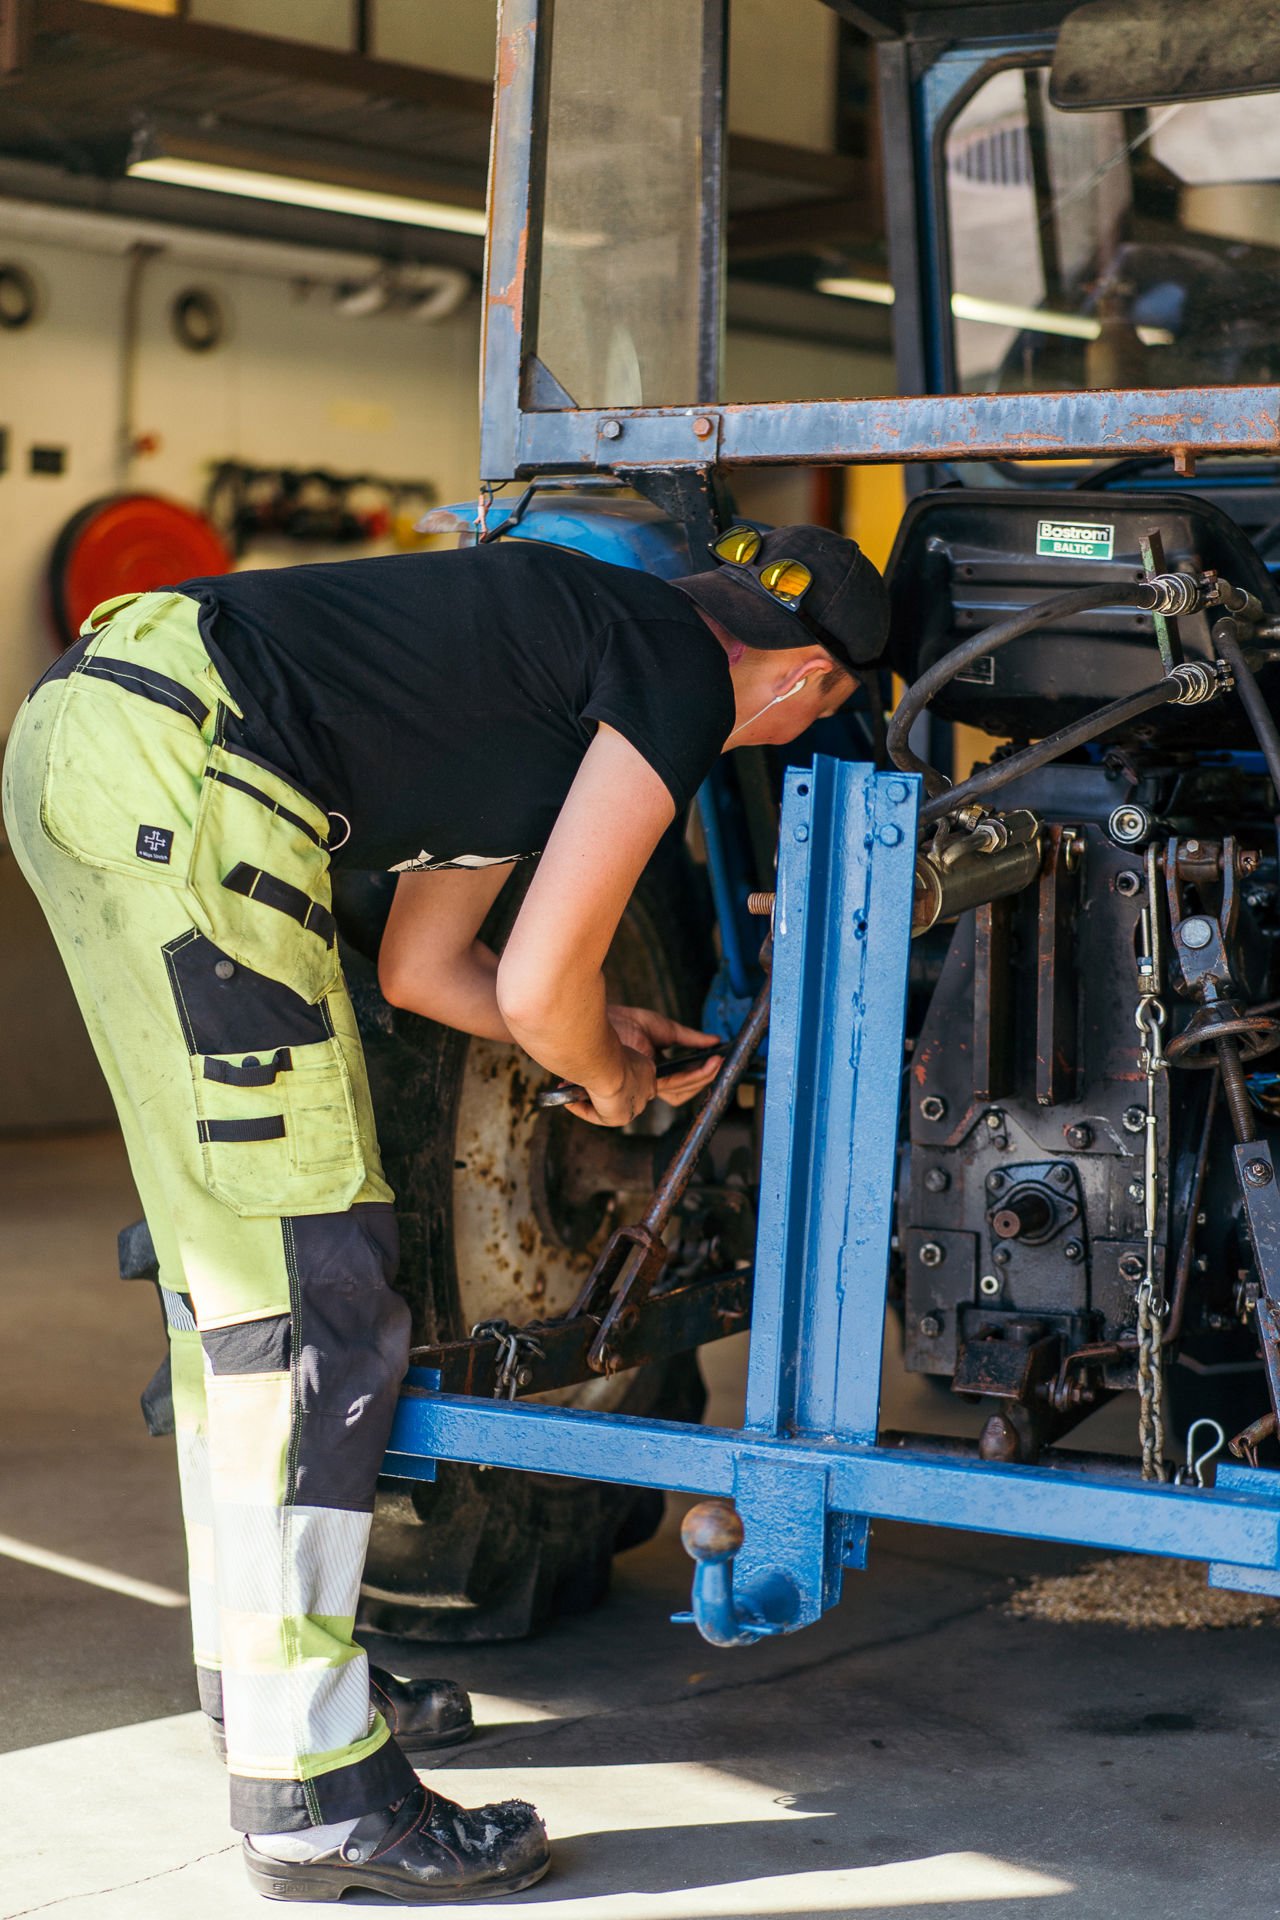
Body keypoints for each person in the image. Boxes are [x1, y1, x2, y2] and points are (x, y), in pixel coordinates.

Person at [2, 518, 888, 1904]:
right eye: (817, 709)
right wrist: (606, 1079)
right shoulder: (681, 671)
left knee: (235, 1294)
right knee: (316, 1302)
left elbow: (436, 969)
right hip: (192, 781)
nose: (784, 734)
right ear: (803, 678)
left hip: (97, 738)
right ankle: (314, 1798)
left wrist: (601, 1036)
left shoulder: (553, 663)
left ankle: (273, 1694)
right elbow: (544, 997)